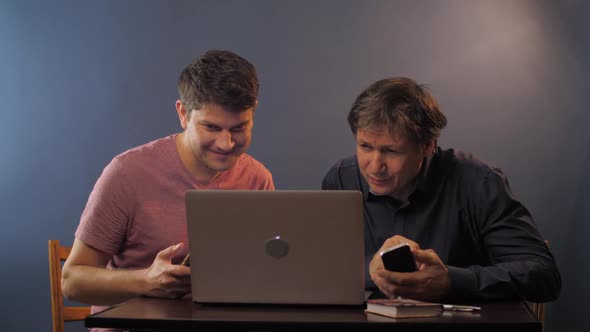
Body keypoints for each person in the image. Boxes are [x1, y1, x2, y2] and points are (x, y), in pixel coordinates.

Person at [62, 50, 274, 315]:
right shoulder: (127, 174)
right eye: (211, 127)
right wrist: (146, 281)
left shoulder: (257, 178)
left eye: (238, 128)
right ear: (183, 113)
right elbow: (72, 282)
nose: (226, 143)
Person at [322, 77, 561, 303]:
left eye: (391, 151)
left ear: (427, 145)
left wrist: (450, 281)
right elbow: (322, 266)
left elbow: (543, 275)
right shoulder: (341, 178)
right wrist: (368, 269)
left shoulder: (479, 183)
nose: (374, 167)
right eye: (365, 146)